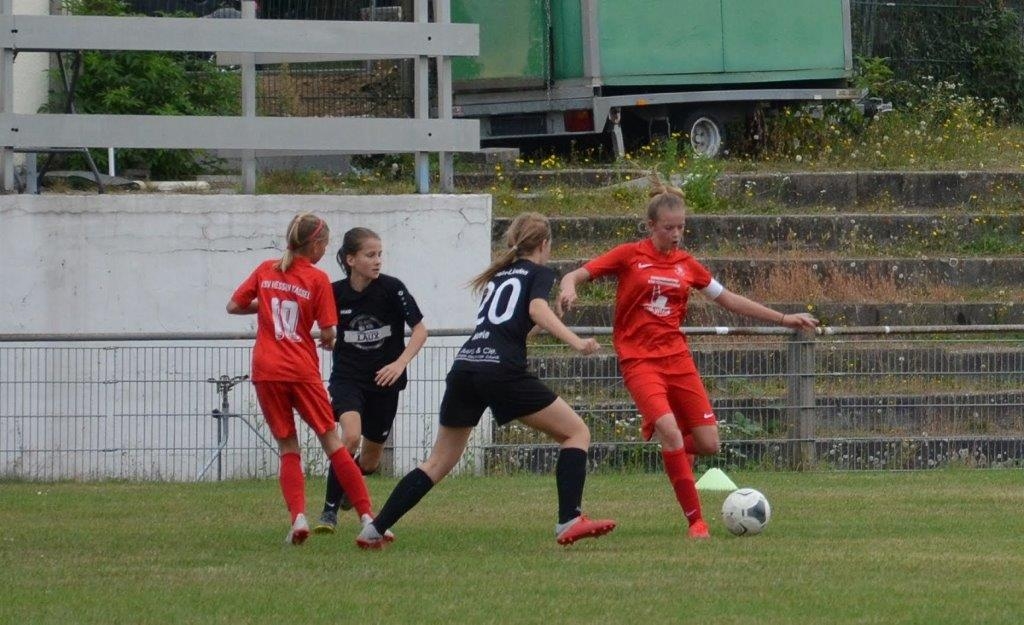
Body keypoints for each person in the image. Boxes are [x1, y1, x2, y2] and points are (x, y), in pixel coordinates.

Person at [557, 176, 819, 539]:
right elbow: (575, 274)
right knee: (671, 433)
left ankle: (672, 445)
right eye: (669, 228)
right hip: (640, 361)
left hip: (677, 359)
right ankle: (697, 521)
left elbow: (729, 300)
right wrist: (569, 287)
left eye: (681, 227)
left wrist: (784, 318)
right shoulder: (629, 255)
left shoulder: (686, 264)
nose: (676, 234)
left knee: (709, 444)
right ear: (651, 226)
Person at [356, 212, 617, 549]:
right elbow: (535, 311)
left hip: (466, 366)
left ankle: (374, 529)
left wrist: (555, 318)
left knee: (437, 462)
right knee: (576, 433)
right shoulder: (539, 272)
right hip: (500, 370)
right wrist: (576, 342)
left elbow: (516, 327)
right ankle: (569, 520)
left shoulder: (499, 275)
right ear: (544, 244)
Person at [227, 212, 386, 546]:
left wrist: (267, 306)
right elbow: (328, 332)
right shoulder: (317, 278)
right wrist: (326, 337)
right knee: (332, 443)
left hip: (266, 369)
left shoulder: (266, 269)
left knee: (288, 446)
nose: (325, 252)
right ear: (314, 245)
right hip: (300, 369)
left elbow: (234, 306)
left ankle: (298, 518)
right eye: (324, 246)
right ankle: (368, 517)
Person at [313, 227, 428, 533]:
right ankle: (328, 512)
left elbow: (420, 331)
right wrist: (328, 335)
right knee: (350, 436)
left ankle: (350, 483)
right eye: (370, 255)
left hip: (385, 384)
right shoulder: (335, 293)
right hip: (348, 379)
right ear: (351, 259)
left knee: (370, 462)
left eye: (380, 255)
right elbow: (321, 323)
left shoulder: (392, 289)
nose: (377, 261)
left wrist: (399, 364)